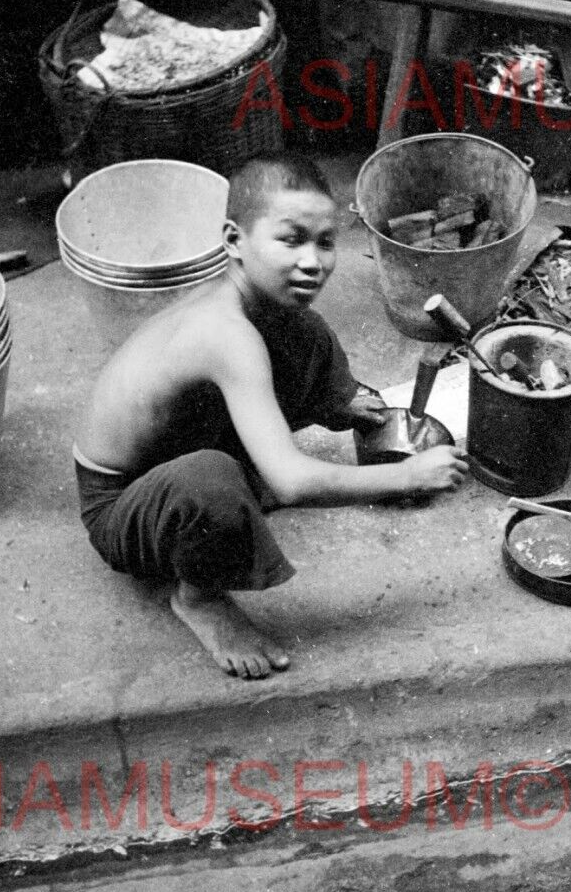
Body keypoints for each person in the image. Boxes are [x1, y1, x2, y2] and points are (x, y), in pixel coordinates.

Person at [74, 153, 468, 679]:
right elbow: (293, 485)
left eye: (325, 242)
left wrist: (337, 400)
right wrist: (406, 474)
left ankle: (317, 418)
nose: (313, 261)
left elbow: (294, 347)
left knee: (303, 331)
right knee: (211, 479)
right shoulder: (225, 334)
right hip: (121, 500)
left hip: (172, 450)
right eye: (291, 238)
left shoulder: (256, 308)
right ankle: (199, 600)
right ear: (234, 241)